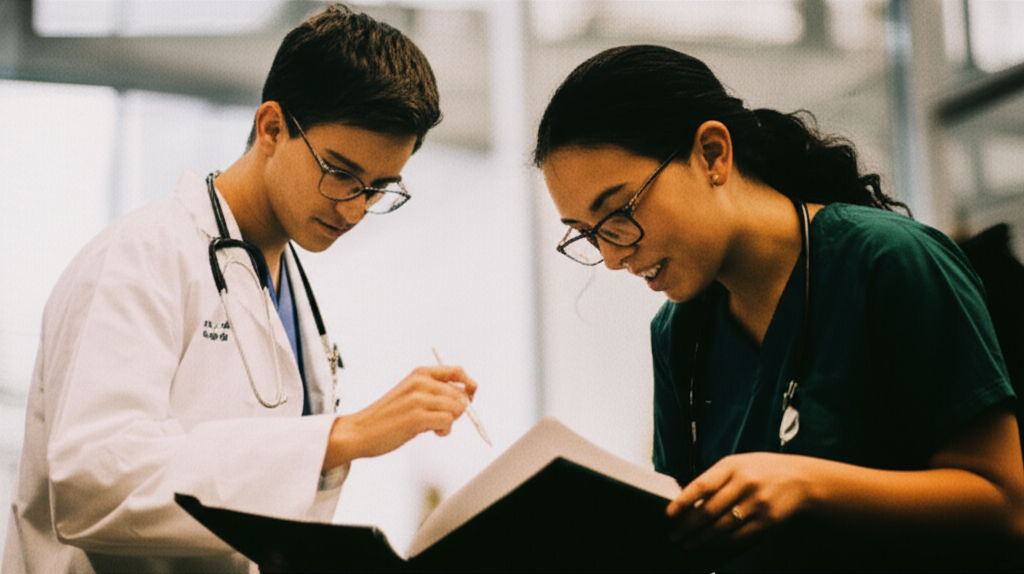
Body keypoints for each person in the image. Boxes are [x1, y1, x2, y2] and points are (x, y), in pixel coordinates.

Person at [3, 5, 479, 573]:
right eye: (340, 172)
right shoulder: (141, 257)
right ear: (272, 126)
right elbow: (89, 484)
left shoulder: (288, 290)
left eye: (378, 189)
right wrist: (340, 436)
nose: (354, 208)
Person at [534, 44, 1024, 571]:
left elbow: (1006, 505)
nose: (611, 256)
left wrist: (808, 483)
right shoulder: (680, 334)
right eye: (587, 235)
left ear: (713, 154)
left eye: (620, 212)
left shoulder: (888, 263)